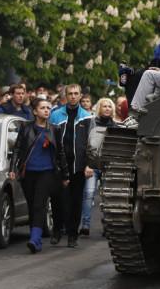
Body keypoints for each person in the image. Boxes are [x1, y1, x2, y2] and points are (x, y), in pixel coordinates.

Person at [8, 98, 68, 253]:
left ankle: (34, 239)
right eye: (42, 108)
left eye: (48, 108)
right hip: (28, 173)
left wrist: (65, 175)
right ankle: (37, 238)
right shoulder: (26, 127)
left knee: (38, 205)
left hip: (47, 172)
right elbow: (18, 148)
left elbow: (60, 152)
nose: (47, 110)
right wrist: (12, 168)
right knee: (32, 205)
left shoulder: (54, 129)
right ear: (35, 111)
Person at [60, 94, 95, 248]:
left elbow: (92, 142)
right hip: (62, 165)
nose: (73, 97)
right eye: (70, 94)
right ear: (66, 96)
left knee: (78, 199)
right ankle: (62, 227)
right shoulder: (57, 115)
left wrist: (89, 164)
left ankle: (73, 233)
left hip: (79, 165)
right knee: (62, 200)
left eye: (76, 94)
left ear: (79, 96)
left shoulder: (87, 117)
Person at [118, 14, 160, 103]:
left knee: (141, 74)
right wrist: (132, 70)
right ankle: (133, 109)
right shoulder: (159, 48)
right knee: (132, 75)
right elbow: (151, 66)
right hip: (159, 76)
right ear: (159, 27)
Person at [80, 98, 118, 236]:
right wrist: (87, 164)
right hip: (93, 164)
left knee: (107, 197)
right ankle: (85, 225)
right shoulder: (92, 123)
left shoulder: (116, 125)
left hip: (108, 165)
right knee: (89, 194)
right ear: (99, 108)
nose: (107, 109)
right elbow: (87, 144)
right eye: (104, 106)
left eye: (109, 106)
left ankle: (107, 226)